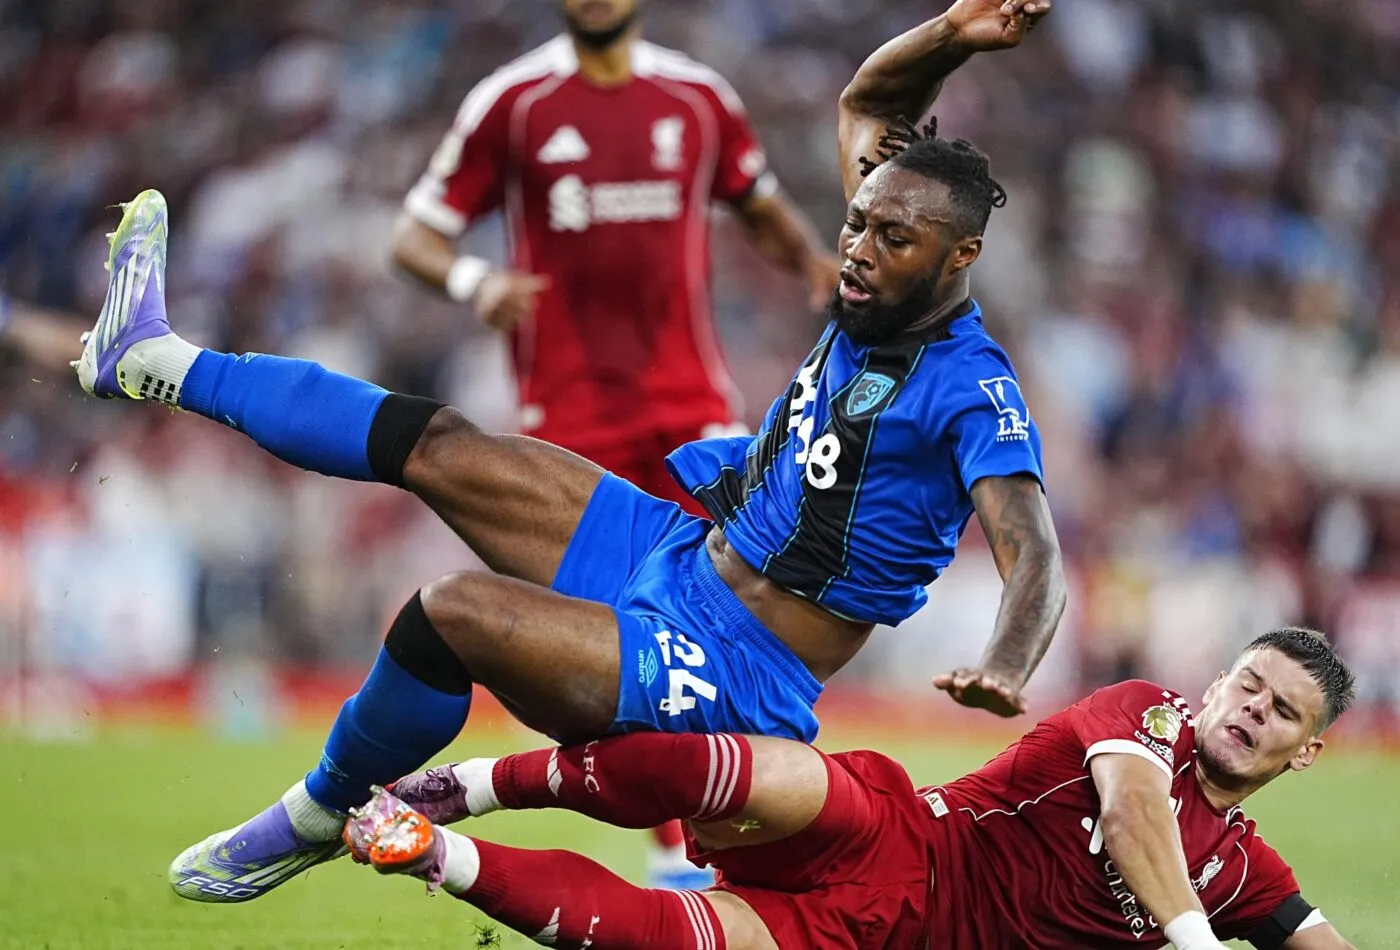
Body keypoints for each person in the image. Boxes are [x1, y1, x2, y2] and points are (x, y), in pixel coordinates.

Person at [73, 0, 1065, 906]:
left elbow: (1034, 554)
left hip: (734, 668)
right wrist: (952, 31)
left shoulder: (970, 389)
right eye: (854, 222)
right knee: (444, 443)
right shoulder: (877, 269)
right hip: (676, 552)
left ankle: (318, 810)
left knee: (450, 612)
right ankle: (155, 360)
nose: (856, 249)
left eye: (890, 238)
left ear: (958, 256)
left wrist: (1005, 664)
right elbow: (870, 102)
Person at [391, 0, 841, 882]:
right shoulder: (515, 102)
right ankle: (675, 843)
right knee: (608, 646)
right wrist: (475, 280)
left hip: (691, 411)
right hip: (568, 423)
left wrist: (814, 265)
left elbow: (759, 203)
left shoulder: (698, 99)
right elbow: (414, 236)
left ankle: (737, 837)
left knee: (736, 622)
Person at [347, 627, 1360, 950]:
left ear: (1305, 751)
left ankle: (429, 848)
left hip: (880, 941)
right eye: (1247, 684)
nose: (1250, 710)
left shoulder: (1244, 872)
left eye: (1280, 712)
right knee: (747, 767)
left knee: (676, 940)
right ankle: (472, 784)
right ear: (1214, 683)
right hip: (901, 836)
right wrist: (1192, 941)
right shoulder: (1145, 715)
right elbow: (1135, 814)